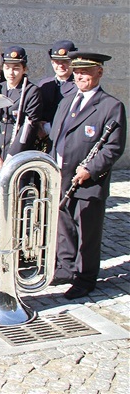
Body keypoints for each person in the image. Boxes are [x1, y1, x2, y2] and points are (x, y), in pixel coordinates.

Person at [50, 51, 126, 300]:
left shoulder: (110, 106)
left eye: (86, 71)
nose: (80, 75)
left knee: (87, 232)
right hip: (62, 175)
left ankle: (85, 278)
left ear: (99, 72)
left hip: (88, 180)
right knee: (64, 226)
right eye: (77, 71)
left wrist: (90, 169)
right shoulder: (68, 98)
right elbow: (58, 137)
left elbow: (113, 147)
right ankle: (65, 268)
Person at [0, 46, 43, 248]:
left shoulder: (31, 92)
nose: (11, 72)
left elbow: (29, 127)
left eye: (16, 67)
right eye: (8, 67)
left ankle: (12, 243)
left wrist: (12, 157)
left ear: (24, 69)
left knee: (14, 204)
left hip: (15, 158)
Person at [37, 40, 78, 152]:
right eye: (57, 61)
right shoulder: (43, 84)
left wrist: (47, 128)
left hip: (65, 142)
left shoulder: (79, 88)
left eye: (65, 61)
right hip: (41, 141)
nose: (61, 65)